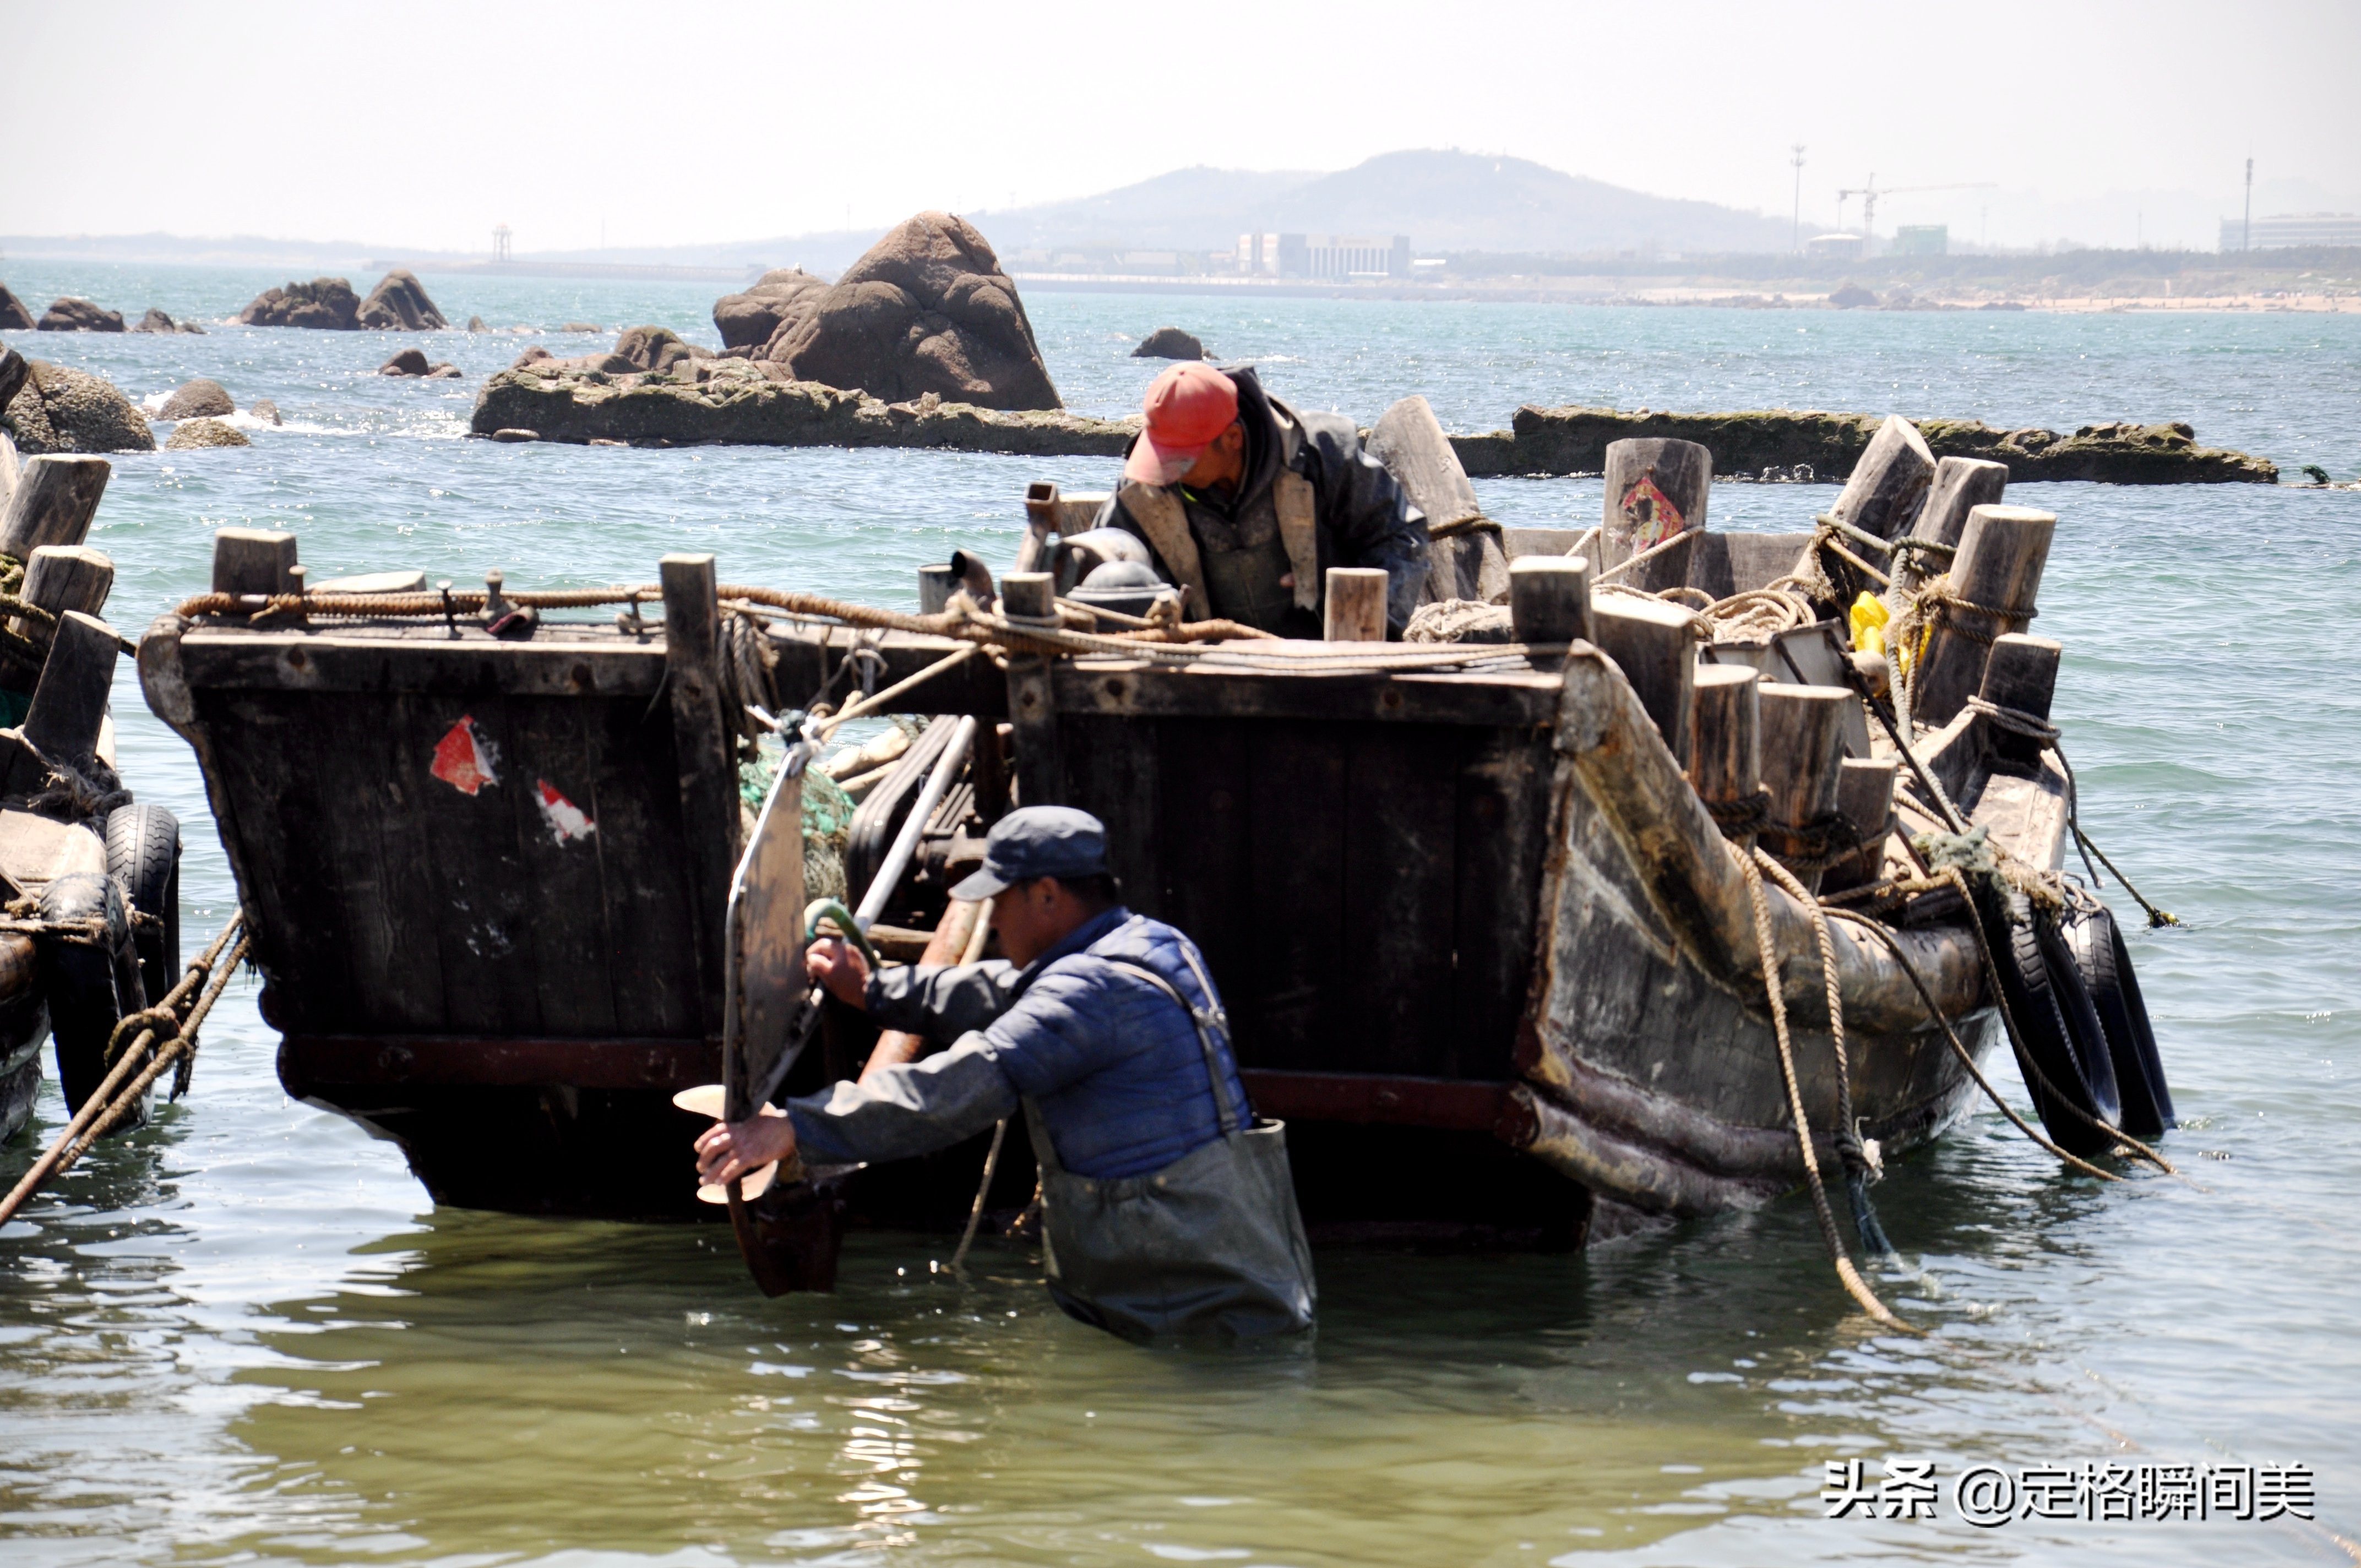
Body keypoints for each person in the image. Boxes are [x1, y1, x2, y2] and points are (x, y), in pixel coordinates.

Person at [694, 805, 1315, 1341]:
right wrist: (875, 990)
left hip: (1192, 1302)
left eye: (998, 901)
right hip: (1234, 1272)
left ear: (1046, 894)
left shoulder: (1089, 991)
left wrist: (797, 1128)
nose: (991, 921)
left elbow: (961, 1087)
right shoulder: (1154, 943)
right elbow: (1002, 991)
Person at [1093, 362, 1428, 639]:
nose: (1165, 472)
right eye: (1160, 456)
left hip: (1331, 661)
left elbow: (1401, 539)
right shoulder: (1142, 489)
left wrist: (1364, 616)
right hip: (1202, 668)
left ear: (1233, 439)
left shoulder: (1323, 456)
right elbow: (1097, 570)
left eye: (1181, 460)